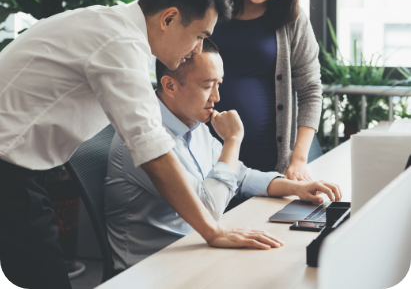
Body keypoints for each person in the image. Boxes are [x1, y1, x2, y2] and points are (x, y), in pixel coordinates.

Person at [0, 0, 281, 289]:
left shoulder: (114, 28)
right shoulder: (120, 45)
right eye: (199, 36)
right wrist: (213, 230)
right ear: (169, 18)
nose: (198, 50)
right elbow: (154, 153)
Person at [104, 38, 341, 270]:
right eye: (207, 86)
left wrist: (296, 188)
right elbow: (208, 209)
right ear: (170, 86)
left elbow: (238, 175)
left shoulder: (194, 126)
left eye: (219, 84)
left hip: (197, 251)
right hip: (154, 268)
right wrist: (232, 140)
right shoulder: (143, 139)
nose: (216, 97)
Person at [209, 0, 322, 183]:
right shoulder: (210, 10)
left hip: (270, 162)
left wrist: (298, 160)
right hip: (209, 158)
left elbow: (310, 91)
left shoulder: (292, 20)